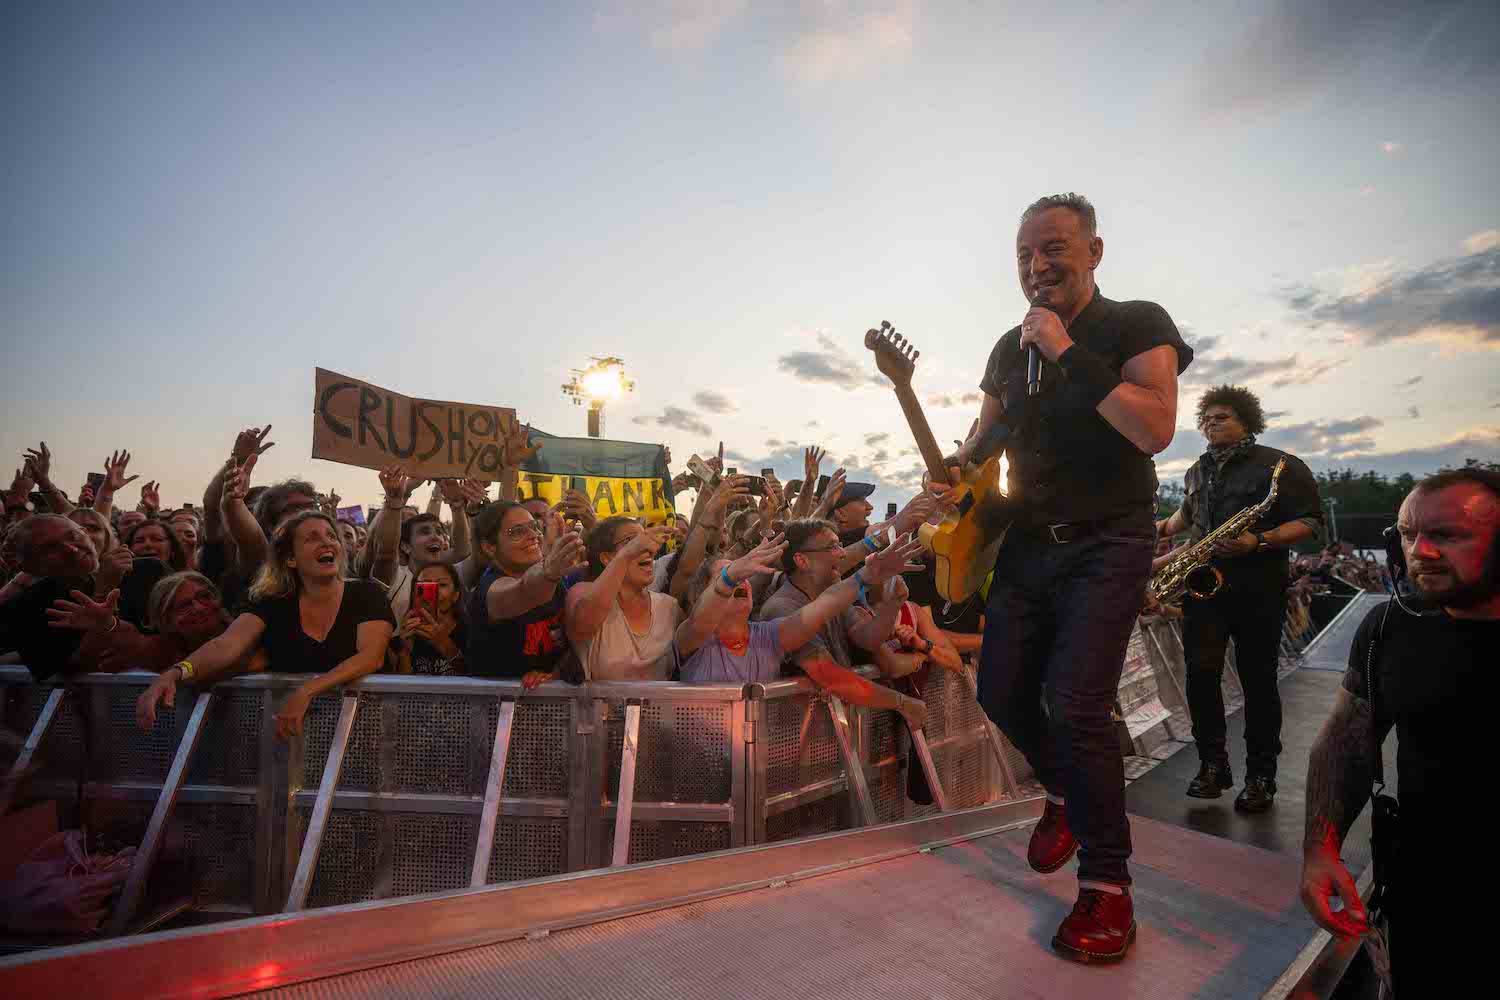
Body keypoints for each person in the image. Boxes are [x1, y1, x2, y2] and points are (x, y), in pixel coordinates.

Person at [944, 192, 1192, 963]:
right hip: (1027, 539)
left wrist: (1062, 350)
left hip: (1109, 538)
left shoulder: (1135, 323)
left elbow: (1152, 427)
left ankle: (1108, 889)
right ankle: (1061, 792)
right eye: (1023, 254)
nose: (1035, 265)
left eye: (1052, 248)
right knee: (999, 690)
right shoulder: (1004, 349)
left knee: (1077, 700)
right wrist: (954, 468)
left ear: (1094, 251)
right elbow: (983, 441)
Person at [1300, 469, 1500, 992]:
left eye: (1447, 536)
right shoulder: (1390, 626)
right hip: (1427, 893)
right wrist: (1321, 850)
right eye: (1408, 535)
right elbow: (1348, 740)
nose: (1421, 552)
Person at [1153, 385, 1323, 811]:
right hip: (1203, 589)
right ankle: (1213, 766)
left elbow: (1311, 523)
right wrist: (1151, 529)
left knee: (1259, 684)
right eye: (1206, 418)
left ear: (1248, 420)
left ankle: (1261, 776)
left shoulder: (1280, 466)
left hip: (1258, 590)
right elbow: (1186, 518)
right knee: (1200, 678)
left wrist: (1260, 540)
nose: (1211, 424)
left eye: (1221, 416)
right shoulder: (1196, 471)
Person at [135, 511, 394, 739]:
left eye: (331, 536)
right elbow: (227, 644)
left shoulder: (367, 594)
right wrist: (176, 672)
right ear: (290, 559)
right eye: (312, 538)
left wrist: (307, 691)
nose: (327, 542)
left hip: (369, 728)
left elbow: (371, 657)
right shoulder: (271, 603)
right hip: (302, 736)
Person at [680, 533, 925, 684]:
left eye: (743, 574)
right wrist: (729, 576)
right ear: (701, 594)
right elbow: (701, 619)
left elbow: (822, 607)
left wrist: (866, 576)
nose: (741, 579)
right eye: (729, 576)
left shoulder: (766, 635)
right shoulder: (692, 638)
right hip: (703, 766)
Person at [756, 519, 929, 731]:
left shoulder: (833, 595)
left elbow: (867, 640)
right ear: (802, 561)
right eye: (832, 547)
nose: (843, 553)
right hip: (790, 740)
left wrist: (893, 603)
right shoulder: (782, 608)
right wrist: (902, 702)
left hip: (830, 735)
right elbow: (830, 676)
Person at [0, 515, 170, 679]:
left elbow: (188, 637)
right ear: (28, 565)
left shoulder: (148, 571)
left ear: (85, 534)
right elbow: (76, 667)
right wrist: (103, 591)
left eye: (73, 536)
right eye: (50, 548)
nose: (72, 549)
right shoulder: (24, 607)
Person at [466, 501, 586, 687]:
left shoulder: (554, 576)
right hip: (496, 706)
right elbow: (526, 591)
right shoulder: (491, 588)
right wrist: (548, 572)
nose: (533, 535)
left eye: (534, 526)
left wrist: (556, 672)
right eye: (517, 532)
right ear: (489, 547)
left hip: (549, 705)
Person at [565, 518, 683, 680]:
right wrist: (627, 554)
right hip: (598, 706)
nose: (647, 547)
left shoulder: (669, 607)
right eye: (633, 541)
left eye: (646, 540)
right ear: (607, 558)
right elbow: (584, 623)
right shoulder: (582, 592)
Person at [395, 562, 467, 676]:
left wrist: (444, 644)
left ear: (455, 595)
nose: (434, 591)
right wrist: (404, 651)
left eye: (442, 584)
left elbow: (476, 680)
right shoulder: (409, 631)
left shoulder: (471, 630)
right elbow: (402, 686)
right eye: (424, 586)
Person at [123, 519, 190, 572]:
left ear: (172, 548)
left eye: (157, 539)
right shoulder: (116, 582)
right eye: (139, 541)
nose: (147, 544)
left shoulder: (188, 583)